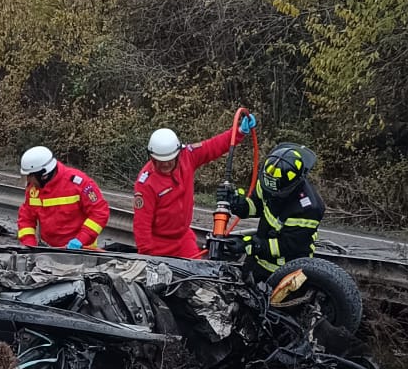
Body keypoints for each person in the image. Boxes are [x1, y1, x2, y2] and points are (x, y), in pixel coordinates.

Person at [133, 117, 254, 259]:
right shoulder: (145, 183)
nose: (164, 165)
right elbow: (142, 224)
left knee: (196, 275)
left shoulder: (188, 156)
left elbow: (212, 146)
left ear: (178, 154)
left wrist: (238, 132)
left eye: (169, 161)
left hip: (183, 239)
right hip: (158, 245)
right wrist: (146, 256)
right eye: (159, 161)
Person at [232, 143, 326, 274]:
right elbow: (257, 205)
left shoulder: (308, 209)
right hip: (258, 259)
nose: (270, 194)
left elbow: (289, 246)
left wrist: (254, 245)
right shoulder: (270, 181)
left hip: (286, 270)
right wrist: (240, 206)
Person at [16, 146, 110, 250]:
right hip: (48, 250)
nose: (29, 181)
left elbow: (99, 213)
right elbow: (26, 218)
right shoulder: (34, 189)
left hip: (81, 249)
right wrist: (29, 245)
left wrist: (81, 239)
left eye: (30, 176)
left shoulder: (79, 183)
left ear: (44, 175)